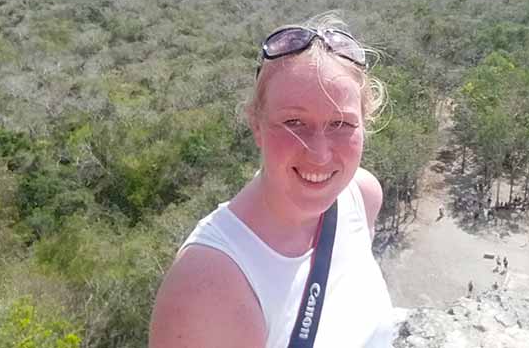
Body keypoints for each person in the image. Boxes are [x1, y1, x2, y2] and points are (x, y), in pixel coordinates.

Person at [149, 17, 396, 347]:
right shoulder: (209, 283)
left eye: (341, 123)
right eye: (294, 122)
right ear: (257, 124)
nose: (319, 154)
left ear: (366, 123)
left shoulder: (361, 197)